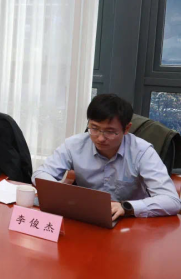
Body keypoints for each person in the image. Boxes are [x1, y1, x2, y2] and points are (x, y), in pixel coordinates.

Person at [32, 94, 181, 219]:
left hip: (129, 222)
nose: (100, 138)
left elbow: (172, 201)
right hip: (87, 217)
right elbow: (40, 173)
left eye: (110, 131)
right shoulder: (74, 144)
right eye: (94, 128)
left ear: (126, 128)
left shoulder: (142, 152)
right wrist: (60, 192)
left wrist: (127, 207)